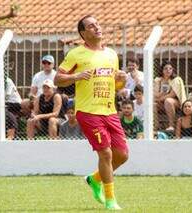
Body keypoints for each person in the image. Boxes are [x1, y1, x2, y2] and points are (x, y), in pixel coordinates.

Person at [54, 15, 128, 210]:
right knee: (105, 153)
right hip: (88, 112)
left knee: (122, 155)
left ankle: (94, 179)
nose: (97, 28)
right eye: (91, 26)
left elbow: (117, 86)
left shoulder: (112, 54)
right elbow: (57, 79)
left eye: (98, 24)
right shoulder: (76, 54)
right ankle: (111, 200)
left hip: (110, 111)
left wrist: (123, 79)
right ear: (83, 33)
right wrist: (76, 76)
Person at [154, 61, 187, 131]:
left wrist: (159, 98)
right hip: (161, 102)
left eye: (170, 68)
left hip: (176, 103)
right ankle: (156, 126)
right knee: (153, 105)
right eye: (165, 68)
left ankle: (171, 125)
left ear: (172, 70)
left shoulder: (176, 79)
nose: (168, 70)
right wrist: (162, 93)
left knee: (168, 101)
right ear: (162, 70)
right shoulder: (158, 80)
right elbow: (155, 94)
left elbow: (172, 94)